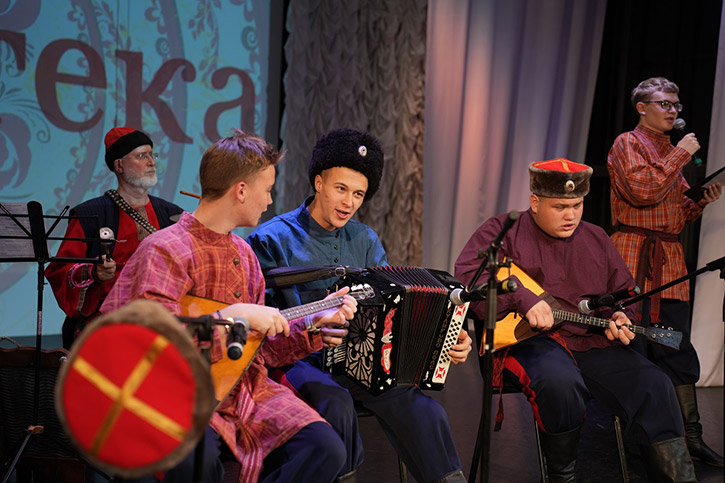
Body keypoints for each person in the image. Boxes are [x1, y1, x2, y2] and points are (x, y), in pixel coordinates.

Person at [100, 130, 358, 483]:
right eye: (267, 189)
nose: (269, 200)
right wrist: (232, 316)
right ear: (241, 191)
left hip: (244, 393)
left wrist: (313, 322)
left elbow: (262, 350)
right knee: (196, 456)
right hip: (178, 395)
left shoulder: (245, 255)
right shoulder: (167, 249)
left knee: (324, 447)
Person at [247, 128, 472, 483]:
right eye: (341, 189)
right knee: (336, 405)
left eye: (358, 194)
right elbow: (258, 323)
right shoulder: (271, 238)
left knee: (424, 411)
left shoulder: (365, 239)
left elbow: (394, 309)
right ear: (319, 182)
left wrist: (443, 339)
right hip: (298, 360)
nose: (349, 203)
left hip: (360, 362)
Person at [455, 159, 696, 482]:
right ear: (535, 202)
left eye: (577, 205)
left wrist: (620, 315)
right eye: (560, 207)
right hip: (528, 341)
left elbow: (621, 293)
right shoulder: (502, 231)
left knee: (655, 385)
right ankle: (562, 477)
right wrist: (522, 298)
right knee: (560, 384)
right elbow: (469, 280)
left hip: (589, 341)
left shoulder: (596, 237)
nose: (570, 215)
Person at [608, 76, 723, 467]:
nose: (673, 111)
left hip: (669, 261)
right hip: (633, 257)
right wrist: (681, 156)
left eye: (676, 104)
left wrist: (699, 202)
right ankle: (646, 442)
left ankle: (691, 440)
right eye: (664, 104)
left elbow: (675, 212)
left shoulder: (672, 152)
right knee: (635, 348)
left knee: (675, 349)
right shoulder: (628, 143)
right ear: (642, 108)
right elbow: (643, 192)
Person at [46, 127, 182, 349]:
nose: (151, 162)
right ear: (119, 165)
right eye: (141, 156)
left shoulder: (172, 214)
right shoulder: (89, 215)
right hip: (108, 320)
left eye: (152, 155)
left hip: (162, 319)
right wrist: (94, 272)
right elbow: (60, 270)